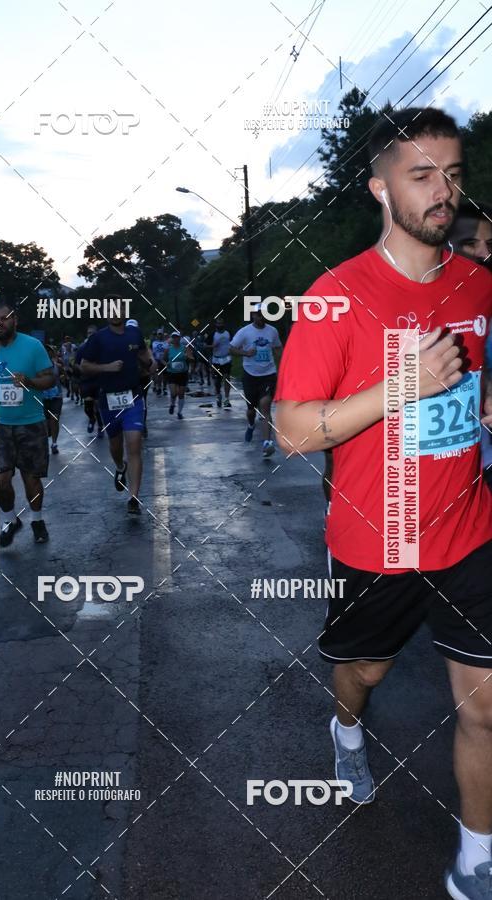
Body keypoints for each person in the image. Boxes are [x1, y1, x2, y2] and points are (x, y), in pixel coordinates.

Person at [275, 106, 492, 900]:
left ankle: (476, 859)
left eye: (454, 173)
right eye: (422, 174)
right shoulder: (336, 296)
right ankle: (347, 726)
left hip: (470, 530)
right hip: (379, 538)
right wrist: (404, 385)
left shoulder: (479, 282)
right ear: (379, 187)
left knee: (487, 708)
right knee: (364, 670)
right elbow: (294, 432)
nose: (445, 191)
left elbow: (476, 373)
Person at [79, 307, 156, 515]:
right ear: (105, 314)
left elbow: (143, 353)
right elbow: (84, 366)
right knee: (116, 445)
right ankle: (120, 467)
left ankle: (134, 498)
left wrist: (150, 362)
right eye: (110, 310)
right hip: (108, 399)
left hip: (133, 396)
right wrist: (107, 368)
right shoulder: (97, 338)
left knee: (134, 444)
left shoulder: (134, 333)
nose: (115, 313)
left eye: (119, 309)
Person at [0, 300, 55, 545]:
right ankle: (10, 521)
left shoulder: (33, 345)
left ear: (14, 319)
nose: (0, 324)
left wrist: (29, 381)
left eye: (4, 318)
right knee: (0, 481)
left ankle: (37, 520)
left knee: (31, 478)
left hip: (31, 423)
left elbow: (49, 379)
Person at [449, 202, 492, 485]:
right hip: (444, 473)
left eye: (490, 243)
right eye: (469, 243)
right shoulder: (415, 310)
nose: (484, 254)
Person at [230, 309, 282, 457]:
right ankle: (251, 425)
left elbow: (278, 347)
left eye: (264, 314)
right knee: (251, 410)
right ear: (253, 315)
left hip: (268, 374)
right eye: (258, 314)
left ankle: (267, 443)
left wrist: (284, 361)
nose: (261, 317)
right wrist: (246, 353)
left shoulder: (272, 331)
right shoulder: (244, 332)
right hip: (250, 375)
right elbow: (231, 348)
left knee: (265, 406)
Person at [76, 325, 104, 438]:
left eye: (93, 333)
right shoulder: (82, 348)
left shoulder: (102, 348)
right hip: (86, 380)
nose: (90, 335)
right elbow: (76, 363)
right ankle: (91, 419)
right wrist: (81, 370)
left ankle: (100, 427)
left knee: (98, 405)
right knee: (88, 406)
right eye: (89, 333)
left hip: (98, 380)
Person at [163, 331, 194, 419]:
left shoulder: (185, 348)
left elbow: (192, 358)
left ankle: (179, 412)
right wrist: (166, 364)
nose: (175, 339)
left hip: (183, 374)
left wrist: (188, 357)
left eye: (177, 337)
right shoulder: (168, 349)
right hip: (172, 373)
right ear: (172, 338)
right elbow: (162, 359)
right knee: (173, 393)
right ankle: (172, 404)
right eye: (173, 337)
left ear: (180, 338)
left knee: (181, 394)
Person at [206, 318, 232, 408]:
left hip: (227, 358)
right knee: (217, 380)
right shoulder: (212, 334)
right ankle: (218, 396)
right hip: (216, 359)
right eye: (218, 323)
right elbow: (205, 345)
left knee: (227, 377)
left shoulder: (228, 333)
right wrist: (212, 346)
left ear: (224, 324)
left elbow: (234, 343)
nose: (220, 325)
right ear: (216, 324)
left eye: (221, 323)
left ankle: (227, 399)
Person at [42, 345, 63, 455]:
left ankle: (54, 443)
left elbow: (64, 376)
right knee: (45, 422)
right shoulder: (37, 366)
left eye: (49, 351)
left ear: (52, 353)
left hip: (56, 396)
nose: (47, 352)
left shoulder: (57, 366)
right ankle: (46, 440)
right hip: (43, 397)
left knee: (54, 419)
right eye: (45, 351)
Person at [151, 329, 168, 395]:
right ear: (157, 335)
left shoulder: (166, 343)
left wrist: (165, 360)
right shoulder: (153, 342)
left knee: (165, 376)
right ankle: (159, 388)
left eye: (161, 334)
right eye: (159, 334)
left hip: (164, 361)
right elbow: (151, 351)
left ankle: (164, 387)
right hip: (157, 361)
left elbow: (167, 352)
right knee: (158, 375)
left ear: (163, 334)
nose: (160, 335)